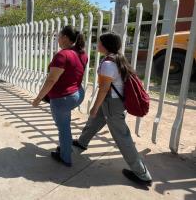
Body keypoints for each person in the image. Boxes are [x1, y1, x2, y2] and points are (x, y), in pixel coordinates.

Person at [73, 32, 152, 186]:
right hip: (112, 101)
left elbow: (103, 89)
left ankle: (142, 174)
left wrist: (95, 107)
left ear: (106, 45)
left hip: (111, 103)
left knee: (122, 138)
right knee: (94, 121)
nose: (98, 44)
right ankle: (82, 142)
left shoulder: (108, 64)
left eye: (100, 42)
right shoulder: (116, 58)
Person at [32, 26, 88, 167]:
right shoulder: (82, 53)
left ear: (64, 37)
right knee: (65, 124)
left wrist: (38, 98)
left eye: (58, 36)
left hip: (63, 98)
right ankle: (65, 147)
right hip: (78, 94)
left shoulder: (63, 55)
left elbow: (51, 80)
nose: (57, 38)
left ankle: (65, 157)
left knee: (63, 128)